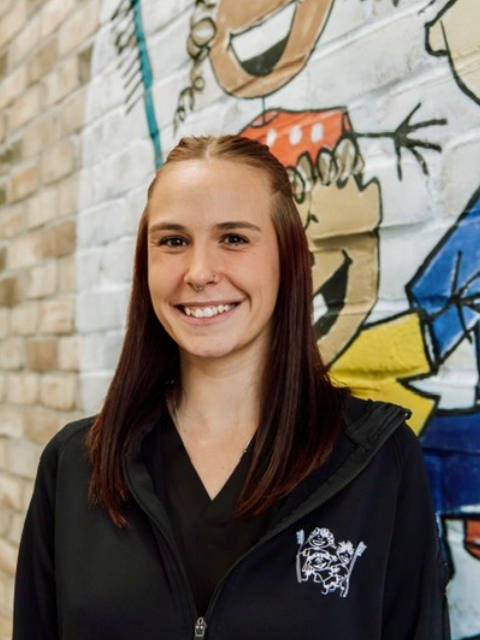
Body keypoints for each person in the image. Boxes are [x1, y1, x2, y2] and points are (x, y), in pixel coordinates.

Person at [13, 135, 450, 639]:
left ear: (287, 257)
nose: (199, 273)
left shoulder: (378, 463)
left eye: (235, 239)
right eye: (173, 241)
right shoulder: (75, 465)